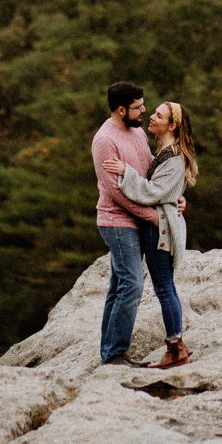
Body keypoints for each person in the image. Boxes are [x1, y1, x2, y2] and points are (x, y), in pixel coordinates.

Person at [105, 98, 198, 369]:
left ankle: (175, 346)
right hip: (158, 227)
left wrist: (126, 172)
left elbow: (154, 192)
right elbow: (167, 192)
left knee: (164, 287)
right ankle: (177, 344)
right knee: (164, 287)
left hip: (161, 231)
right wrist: (177, 199)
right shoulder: (165, 153)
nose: (152, 117)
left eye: (159, 115)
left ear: (173, 125)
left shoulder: (173, 157)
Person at [92, 80, 160, 366]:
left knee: (118, 284)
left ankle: (109, 351)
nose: (144, 111)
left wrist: (172, 198)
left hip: (136, 219)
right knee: (132, 283)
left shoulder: (138, 133)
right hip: (117, 221)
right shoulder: (105, 141)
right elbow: (116, 192)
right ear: (121, 110)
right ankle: (116, 353)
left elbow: (150, 170)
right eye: (137, 107)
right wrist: (153, 216)